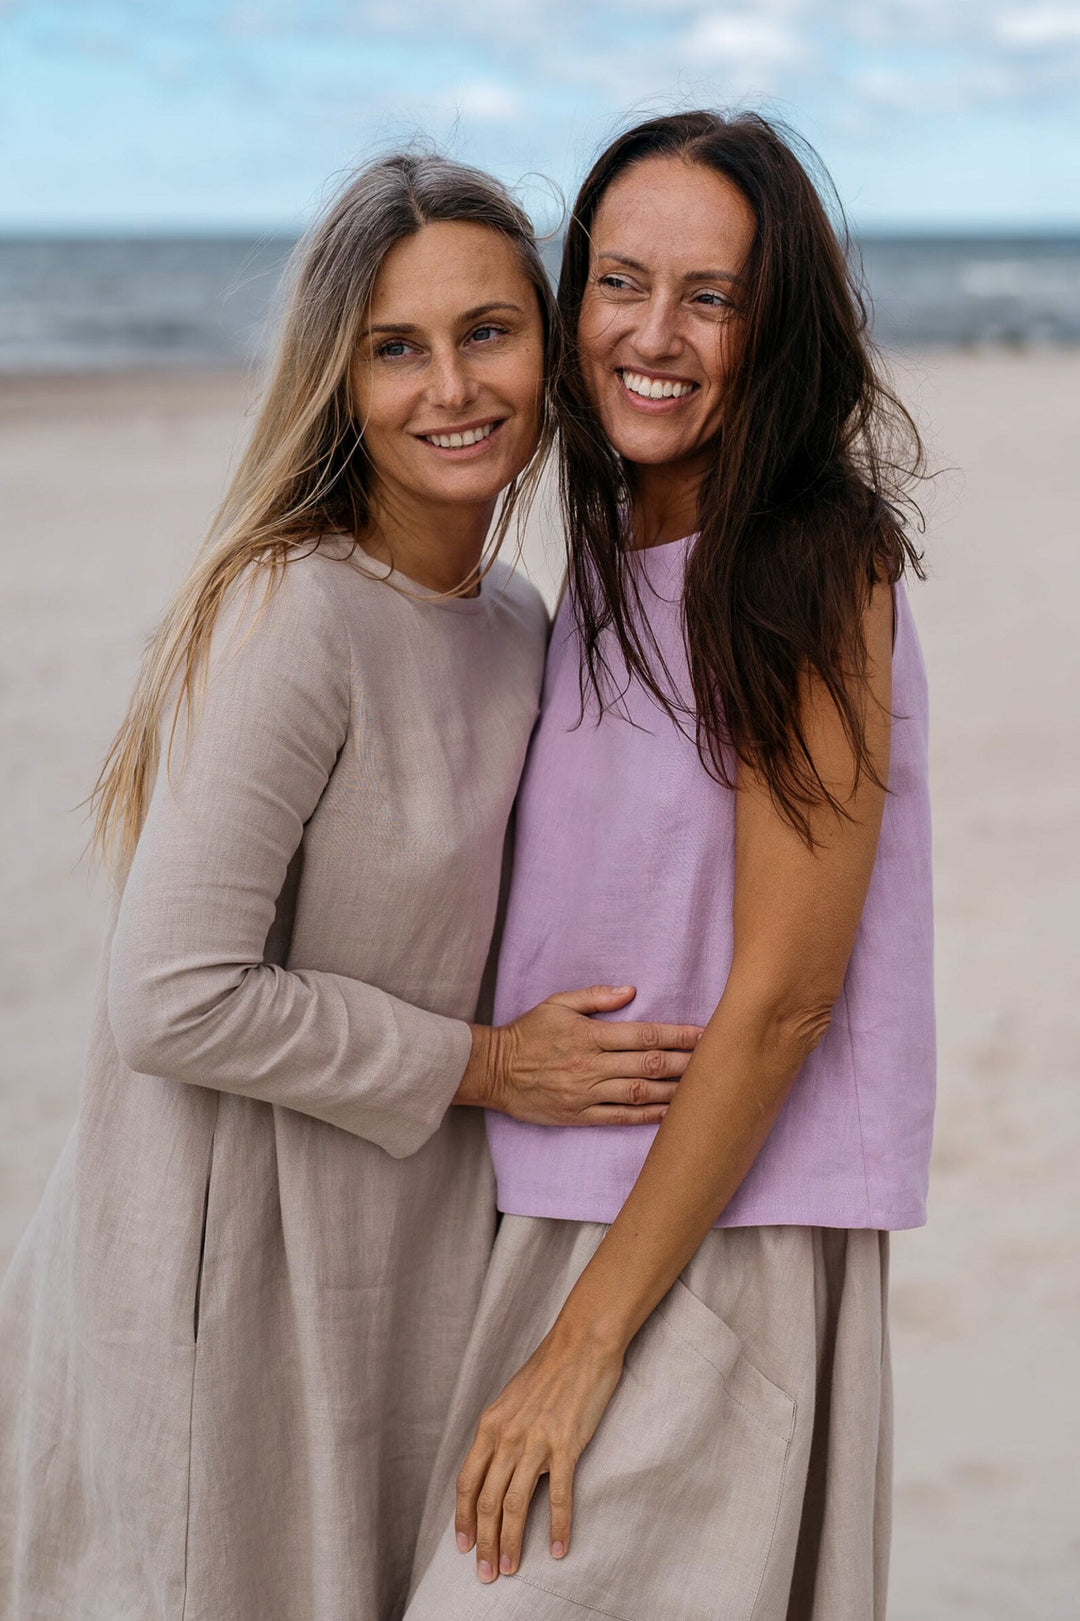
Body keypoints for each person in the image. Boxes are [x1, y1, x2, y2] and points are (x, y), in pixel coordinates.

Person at [0, 152, 700, 1621]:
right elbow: (170, 995)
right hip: (217, 1259)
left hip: (390, 1258)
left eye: (486, 331)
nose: (449, 385)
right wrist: (496, 1065)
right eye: (396, 347)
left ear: (552, 345)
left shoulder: (518, 623)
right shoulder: (296, 612)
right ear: (342, 376)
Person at [406, 111, 933, 1621]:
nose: (654, 334)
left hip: (707, 1253)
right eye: (620, 282)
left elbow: (784, 994)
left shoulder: (810, 556)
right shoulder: (616, 550)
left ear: (777, 330)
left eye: (710, 296)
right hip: (560, 1219)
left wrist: (587, 1343)